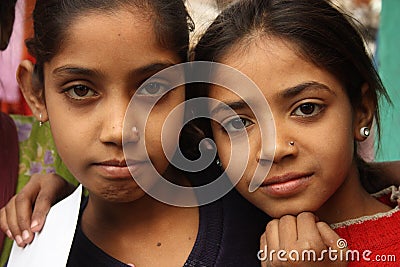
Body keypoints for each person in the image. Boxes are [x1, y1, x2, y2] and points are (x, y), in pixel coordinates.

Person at [0, 0, 272, 266]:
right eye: (80, 90)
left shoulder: (259, 203)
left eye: (153, 89)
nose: (118, 131)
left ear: (188, 86)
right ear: (37, 94)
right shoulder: (44, 252)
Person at [193, 0, 400, 265]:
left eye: (306, 108)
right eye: (238, 124)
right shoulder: (215, 247)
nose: (275, 149)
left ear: (362, 109)